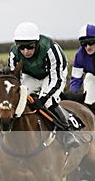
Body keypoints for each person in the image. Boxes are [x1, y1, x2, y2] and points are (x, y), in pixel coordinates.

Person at [8, 21, 79, 149]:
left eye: (30, 47)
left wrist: (42, 99)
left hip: (53, 74)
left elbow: (56, 79)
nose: (25, 51)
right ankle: (2, 131)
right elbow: (14, 79)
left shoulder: (50, 48)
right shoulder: (14, 53)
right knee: (18, 99)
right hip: (31, 76)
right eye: (21, 48)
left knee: (48, 102)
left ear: (37, 43)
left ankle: (67, 132)